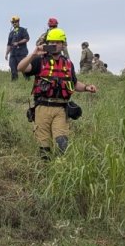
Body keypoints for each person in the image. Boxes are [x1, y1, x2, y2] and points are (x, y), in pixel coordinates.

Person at [19, 28, 97, 159]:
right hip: (42, 107)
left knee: (62, 143)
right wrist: (34, 54)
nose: (54, 45)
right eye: (51, 42)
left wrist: (87, 87)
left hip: (61, 109)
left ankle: (62, 170)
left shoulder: (68, 64)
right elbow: (20, 68)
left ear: (63, 44)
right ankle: (45, 172)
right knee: (44, 148)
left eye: (57, 42)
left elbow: (74, 83)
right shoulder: (39, 61)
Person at [5, 16, 31, 80]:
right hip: (13, 54)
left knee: (23, 68)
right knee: (13, 69)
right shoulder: (11, 33)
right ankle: (14, 83)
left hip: (21, 53)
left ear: (18, 22)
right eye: (13, 22)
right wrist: (6, 54)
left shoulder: (23, 30)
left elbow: (27, 39)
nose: (14, 23)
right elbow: (9, 44)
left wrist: (18, 42)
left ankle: (27, 80)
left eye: (16, 22)